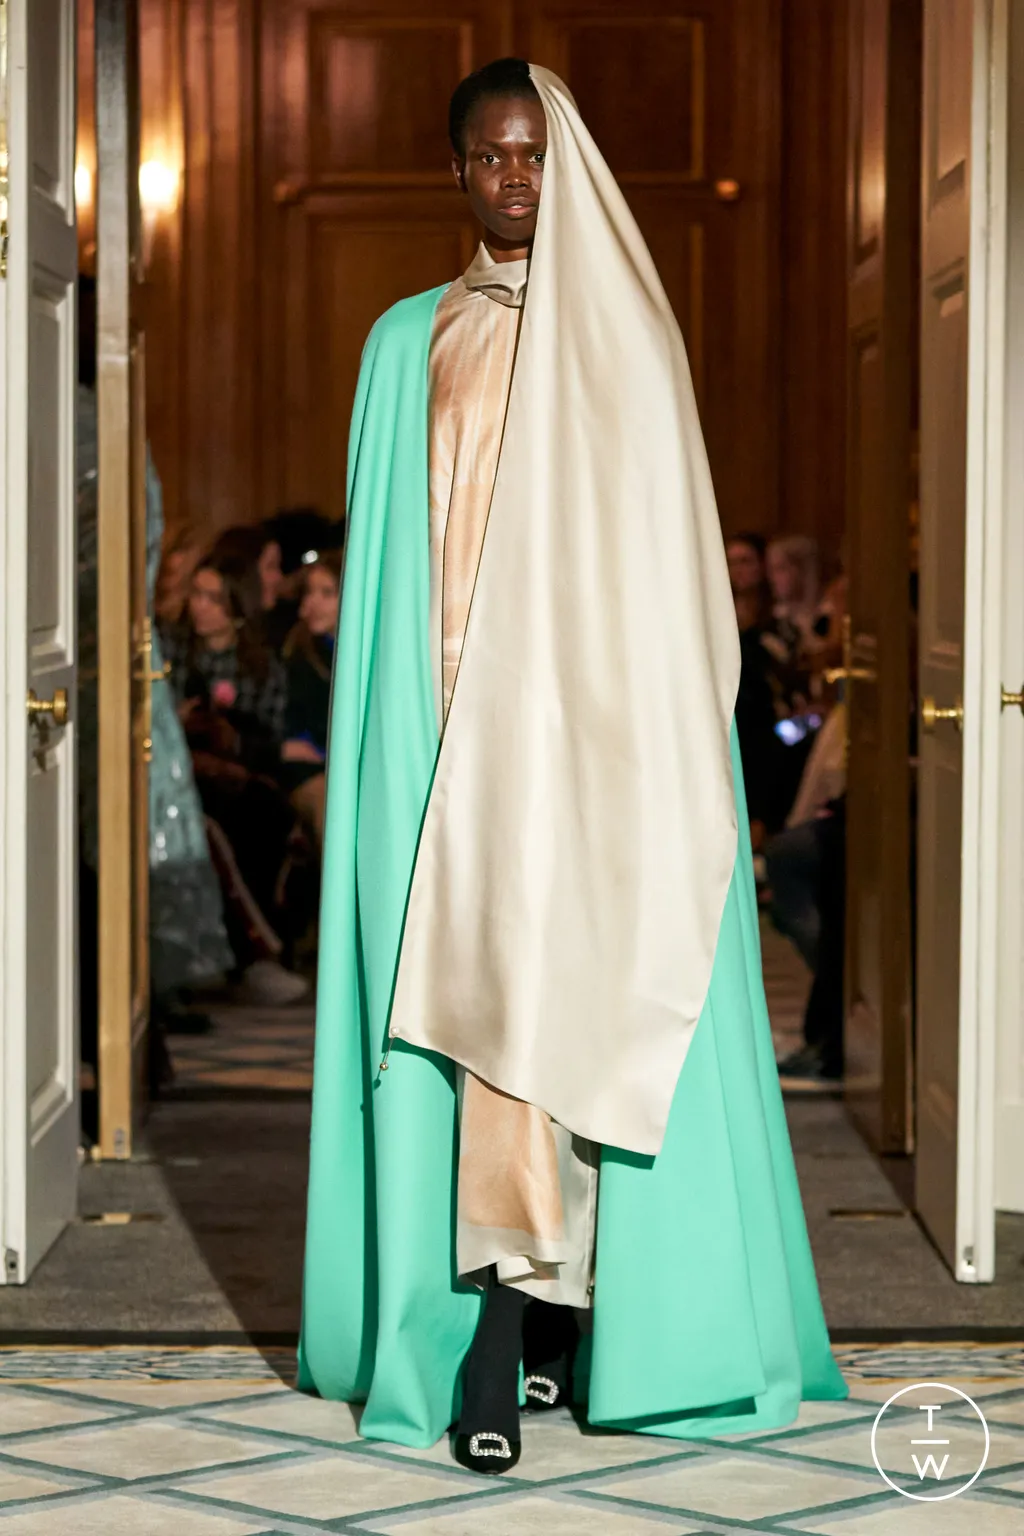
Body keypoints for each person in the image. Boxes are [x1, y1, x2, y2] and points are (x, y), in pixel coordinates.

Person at [299, 58, 846, 1474]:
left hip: (594, 745)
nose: (514, 179)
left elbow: (669, 568)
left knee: (590, 1007)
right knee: (481, 1019)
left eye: (535, 154)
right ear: (456, 172)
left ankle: (563, 1320)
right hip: (448, 744)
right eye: (490, 156)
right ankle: (499, 1326)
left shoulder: (626, 338)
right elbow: (386, 587)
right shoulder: (404, 344)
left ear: (571, 164)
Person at [163, 551, 309, 1005]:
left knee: (262, 815)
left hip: (242, 774)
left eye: (213, 598)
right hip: (184, 769)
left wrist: (232, 741)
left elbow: (270, 738)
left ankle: (257, 954)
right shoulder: (174, 654)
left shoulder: (259, 665)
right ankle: (245, 953)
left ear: (235, 607)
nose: (201, 607)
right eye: (196, 595)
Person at [280, 550, 342, 847]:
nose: (314, 602)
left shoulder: (360, 654)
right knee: (329, 807)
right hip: (309, 769)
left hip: (342, 764)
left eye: (327, 593)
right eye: (310, 592)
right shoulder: (300, 653)